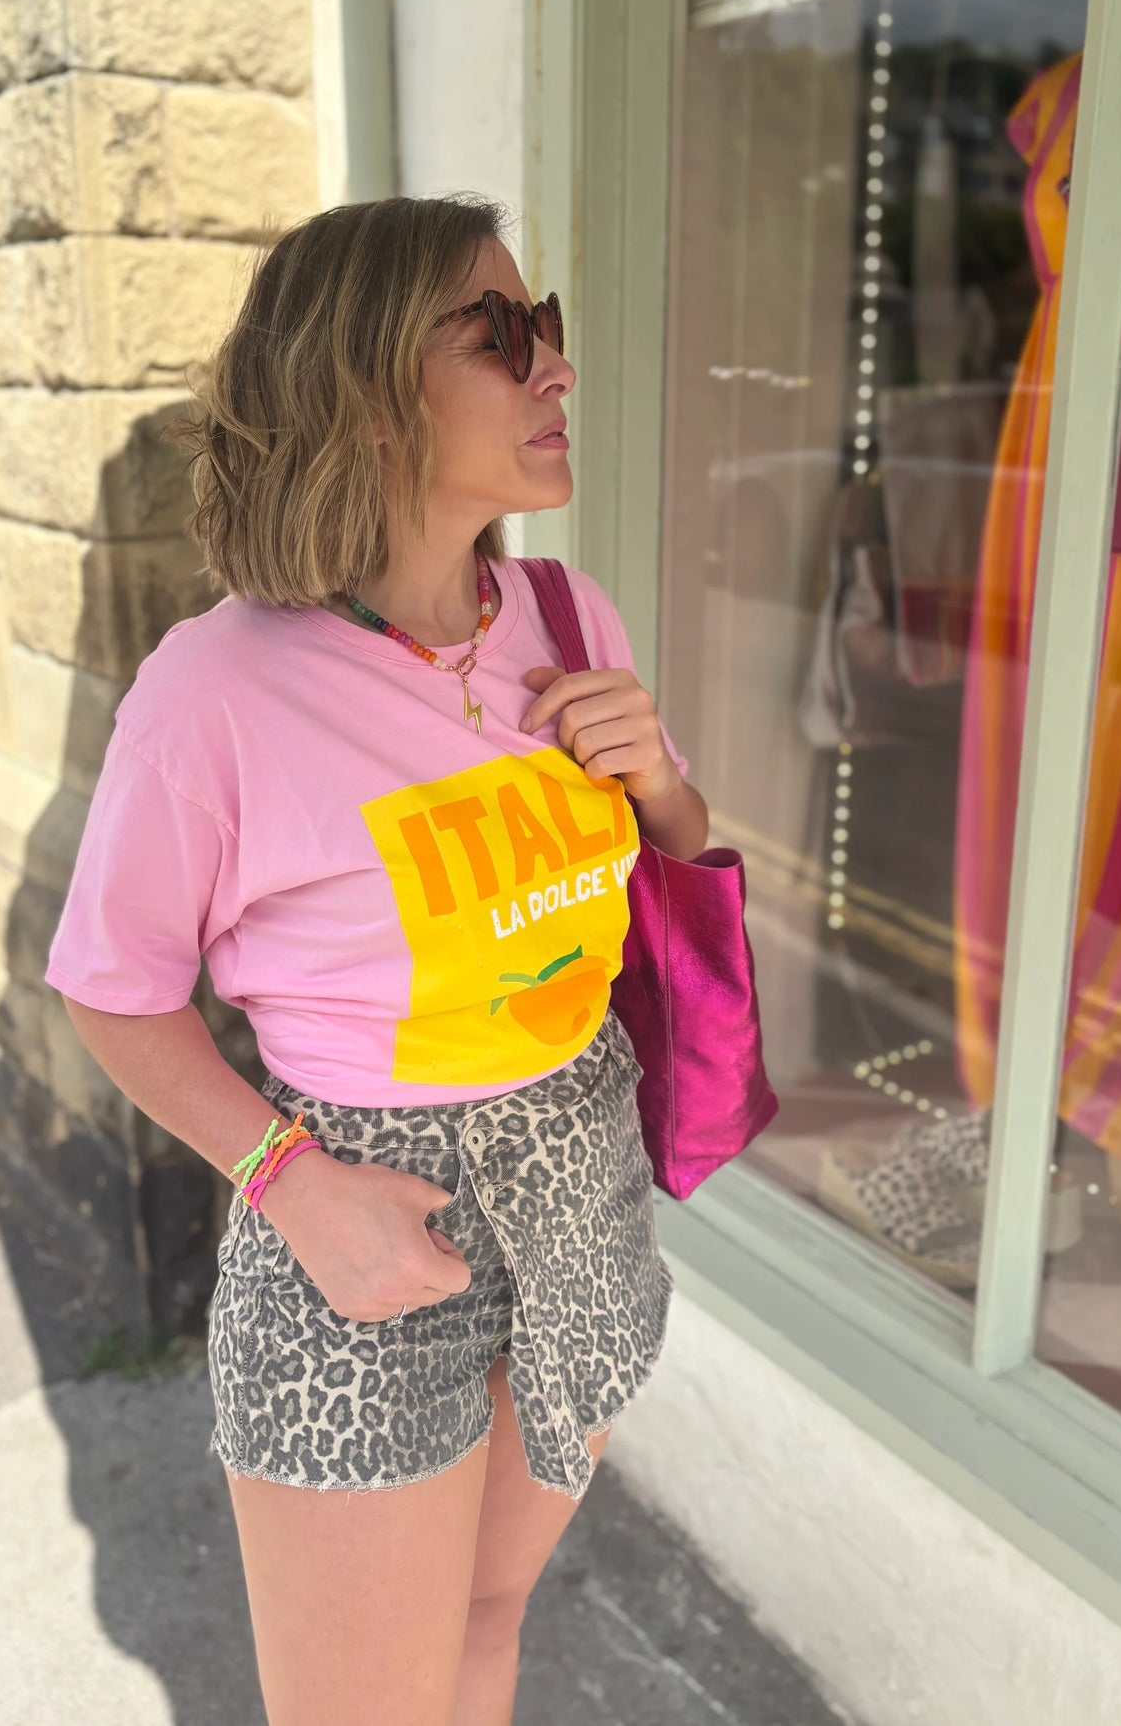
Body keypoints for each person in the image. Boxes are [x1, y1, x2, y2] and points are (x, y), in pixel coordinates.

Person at [43, 194, 709, 1726]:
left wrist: (661, 787)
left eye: (545, 325)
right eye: (494, 333)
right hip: (366, 1222)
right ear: (357, 379)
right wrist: (288, 1181)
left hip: (578, 1193)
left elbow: (660, 865)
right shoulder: (220, 686)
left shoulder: (563, 607)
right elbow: (112, 980)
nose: (551, 367)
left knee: (483, 1625)